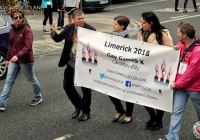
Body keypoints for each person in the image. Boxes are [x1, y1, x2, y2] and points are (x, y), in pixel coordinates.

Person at [50, 9, 96, 121]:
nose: (81, 21)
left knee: (85, 88)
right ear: (73, 19)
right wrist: (53, 32)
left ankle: (86, 112)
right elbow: (58, 39)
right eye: (79, 19)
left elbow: (94, 49)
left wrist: (82, 56)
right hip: (71, 62)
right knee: (67, 85)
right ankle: (78, 105)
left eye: (83, 18)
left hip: (84, 64)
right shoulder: (69, 28)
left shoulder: (91, 30)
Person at [159, 22, 200, 140]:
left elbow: (192, 73)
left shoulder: (198, 51)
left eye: (178, 32)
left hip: (194, 88)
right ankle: (172, 137)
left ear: (185, 35)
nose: (176, 34)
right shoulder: (181, 44)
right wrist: (174, 50)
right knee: (176, 112)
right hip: (180, 87)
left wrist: (177, 84)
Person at [137, 11, 173, 130]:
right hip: (144, 68)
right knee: (143, 94)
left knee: (158, 96)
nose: (141, 24)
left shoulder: (163, 33)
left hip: (158, 70)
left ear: (151, 23)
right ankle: (152, 116)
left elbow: (170, 51)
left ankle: (159, 120)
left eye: (143, 22)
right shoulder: (141, 32)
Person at [0, 10, 42, 112]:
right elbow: (10, 45)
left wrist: (17, 56)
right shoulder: (11, 30)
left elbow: (28, 47)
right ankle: (1, 103)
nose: (18, 19)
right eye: (15, 17)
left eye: (20, 17)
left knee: (31, 79)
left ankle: (37, 96)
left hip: (25, 60)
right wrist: (7, 58)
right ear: (13, 19)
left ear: (22, 18)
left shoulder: (27, 30)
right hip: (14, 60)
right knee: (9, 81)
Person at [109, 15, 134, 124]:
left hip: (125, 70)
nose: (113, 25)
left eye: (115, 24)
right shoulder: (110, 36)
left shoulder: (128, 39)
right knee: (110, 90)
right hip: (113, 68)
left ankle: (129, 114)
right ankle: (119, 110)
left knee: (127, 92)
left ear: (122, 26)